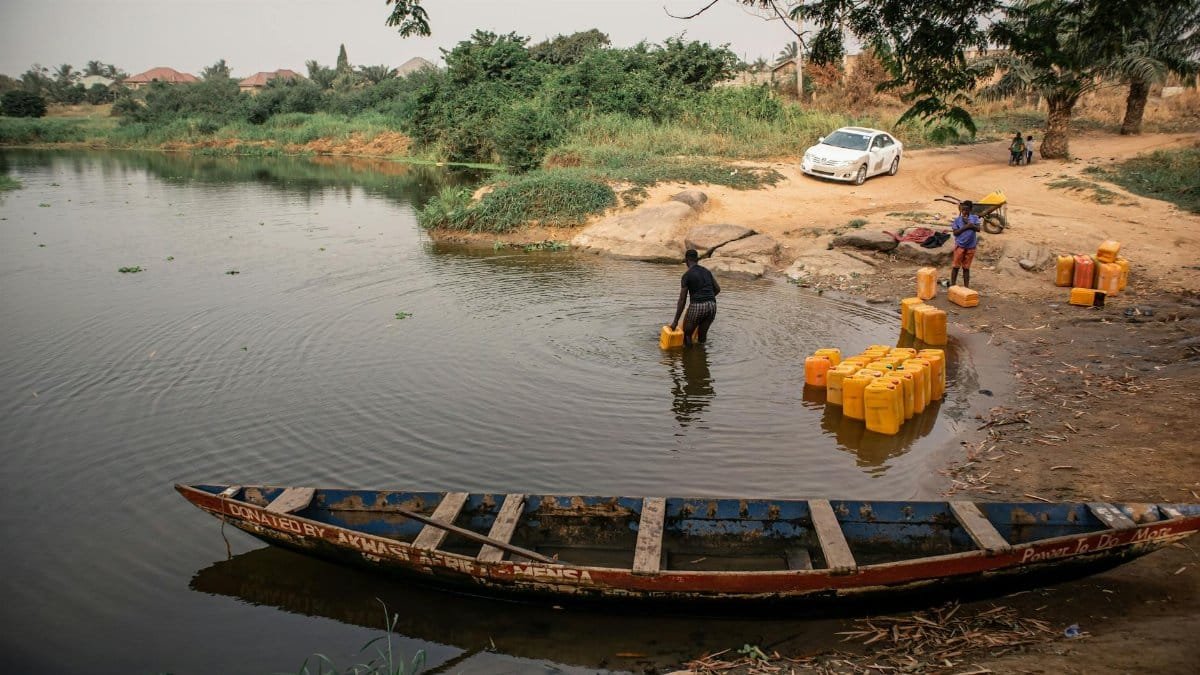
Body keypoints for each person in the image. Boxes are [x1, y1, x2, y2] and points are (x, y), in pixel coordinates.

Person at [671, 249, 720, 346]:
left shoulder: (686, 275)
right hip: (712, 305)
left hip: (697, 306)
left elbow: (682, 300)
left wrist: (675, 322)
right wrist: (707, 298)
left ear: (686, 260)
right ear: (697, 259)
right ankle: (701, 356)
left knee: (687, 335)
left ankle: (688, 358)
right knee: (702, 337)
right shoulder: (706, 272)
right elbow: (717, 289)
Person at [950, 201, 981, 288]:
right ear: (960, 210)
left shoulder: (974, 218)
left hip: (971, 247)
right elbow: (955, 233)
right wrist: (967, 226)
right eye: (963, 210)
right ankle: (952, 286)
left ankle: (966, 287)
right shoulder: (957, 220)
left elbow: (978, 229)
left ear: (970, 210)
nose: (964, 212)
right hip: (960, 246)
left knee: (966, 268)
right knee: (956, 266)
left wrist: (971, 225)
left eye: (966, 210)